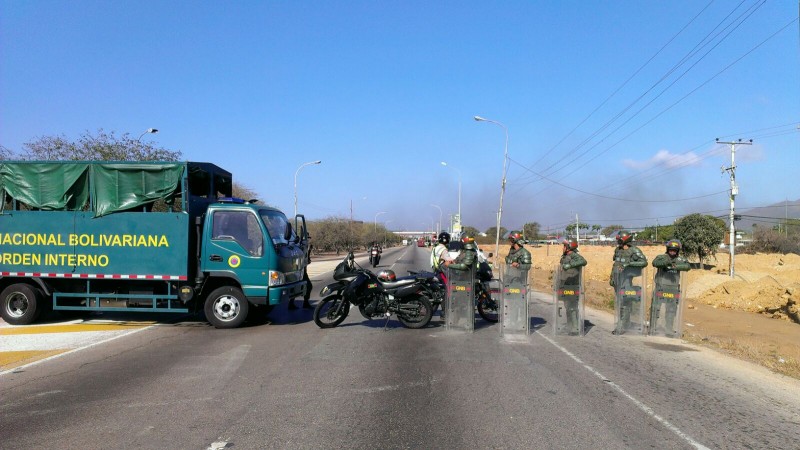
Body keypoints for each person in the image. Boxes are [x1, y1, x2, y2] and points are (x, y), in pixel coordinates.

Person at [651, 239, 691, 336]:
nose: (672, 252)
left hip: (673, 289)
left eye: (675, 250)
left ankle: (668, 330)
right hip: (660, 287)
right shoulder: (661, 257)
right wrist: (666, 263)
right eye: (671, 250)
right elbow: (654, 263)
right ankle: (652, 328)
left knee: (671, 310)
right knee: (655, 308)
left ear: (677, 251)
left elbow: (687, 266)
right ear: (667, 249)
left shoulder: (680, 260)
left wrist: (675, 266)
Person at [610, 230, 648, 334]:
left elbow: (644, 262)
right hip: (617, 279)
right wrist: (612, 278)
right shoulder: (618, 250)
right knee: (619, 302)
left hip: (627, 279)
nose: (618, 242)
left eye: (619, 240)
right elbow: (615, 264)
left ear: (625, 240)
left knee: (624, 302)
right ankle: (625, 322)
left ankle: (622, 325)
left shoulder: (634, 250)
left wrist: (629, 264)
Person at [558, 238, 587, 335]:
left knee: (572, 307)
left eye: (564, 246)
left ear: (569, 247)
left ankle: (575, 327)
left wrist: (570, 265)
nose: (563, 248)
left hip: (573, 285)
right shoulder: (565, 256)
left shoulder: (574, 256)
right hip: (565, 284)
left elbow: (583, 261)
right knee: (567, 306)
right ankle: (569, 325)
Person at [289, 242, 313, 310]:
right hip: (300, 271)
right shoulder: (300, 248)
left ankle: (291, 303)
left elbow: (306, 260)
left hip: (302, 271)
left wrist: (309, 251)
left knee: (297, 286)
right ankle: (305, 303)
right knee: (308, 286)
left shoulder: (302, 248)